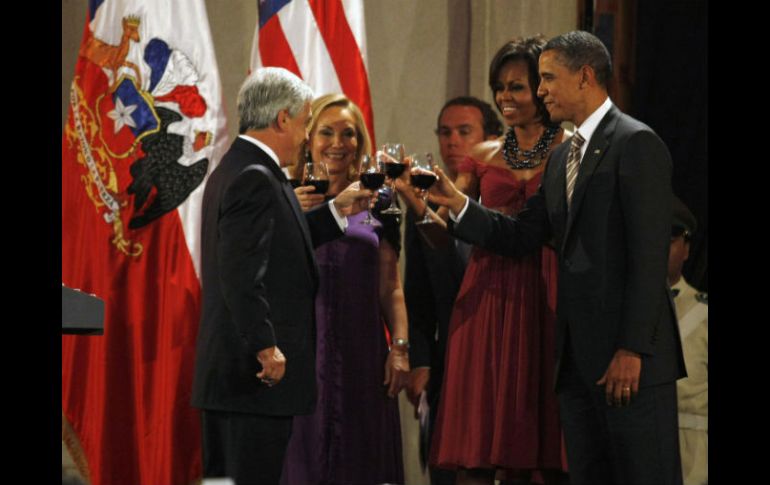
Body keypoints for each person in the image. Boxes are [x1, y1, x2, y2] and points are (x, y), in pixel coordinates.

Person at [429, 30, 686, 485]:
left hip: (629, 362)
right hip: (576, 363)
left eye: (548, 78)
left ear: (585, 76)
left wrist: (631, 349)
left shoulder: (635, 142)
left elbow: (650, 259)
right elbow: (521, 234)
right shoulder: (565, 154)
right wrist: (457, 204)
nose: (541, 89)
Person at [190, 68, 371, 485]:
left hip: (236, 382)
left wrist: (337, 211)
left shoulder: (241, 168)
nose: (308, 134)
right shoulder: (256, 178)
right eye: (307, 121)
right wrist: (266, 346)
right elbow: (241, 275)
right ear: (283, 119)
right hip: (249, 380)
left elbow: (279, 244)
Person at [424, 37, 569, 485]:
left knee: (538, 443)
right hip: (486, 299)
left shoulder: (571, 149)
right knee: (478, 447)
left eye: (517, 87)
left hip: (549, 294)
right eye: (499, 87)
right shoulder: (481, 156)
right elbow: (442, 232)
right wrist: (417, 205)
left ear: (543, 90)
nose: (505, 97)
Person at [281, 93, 409, 485]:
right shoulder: (286, 193)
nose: (338, 143)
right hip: (302, 354)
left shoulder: (380, 200)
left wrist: (400, 348)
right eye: (326, 132)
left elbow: (391, 287)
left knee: (361, 461)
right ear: (308, 138)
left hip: (362, 356)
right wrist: (294, 217)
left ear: (360, 143)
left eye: (348, 133)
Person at [398, 96, 502, 485]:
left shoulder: (504, 200)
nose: (452, 142)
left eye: (464, 132)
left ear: (492, 139)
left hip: (499, 359)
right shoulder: (423, 202)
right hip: (449, 367)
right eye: (445, 132)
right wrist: (420, 360)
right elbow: (418, 296)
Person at [668, 196, 707, 485]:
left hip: (696, 457)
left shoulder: (704, 313)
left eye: (670, 239)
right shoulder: (616, 311)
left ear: (686, 248)